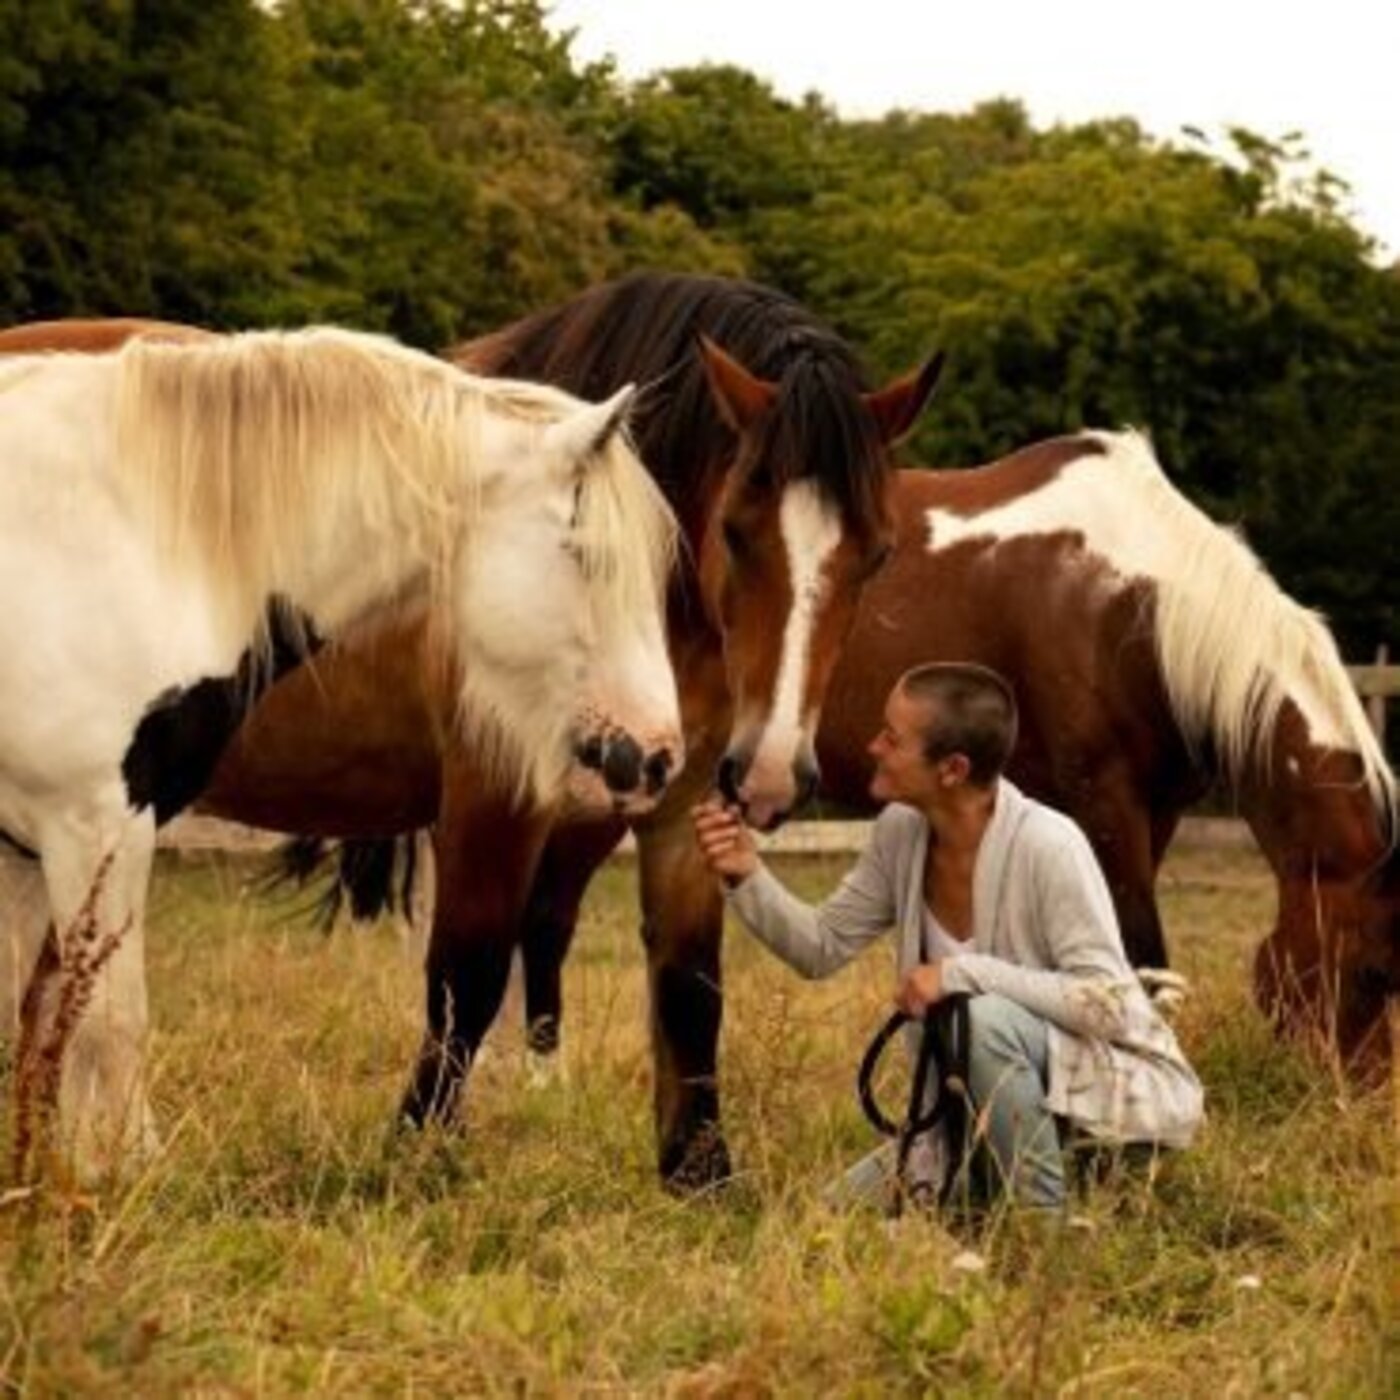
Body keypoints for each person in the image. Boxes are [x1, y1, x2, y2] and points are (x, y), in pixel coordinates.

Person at [692, 662, 1203, 1211]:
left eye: (893, 737)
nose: (873, 746)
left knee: (978, 1016)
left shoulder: (1050, 845)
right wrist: (745, 871)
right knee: (828, 1219)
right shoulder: (901, 830)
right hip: (959, 1121)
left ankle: (1042, 1234)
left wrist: (961, 973)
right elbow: (820, 948)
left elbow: (1106, 1007)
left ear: (952, 769)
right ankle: (985, 1195)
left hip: (1100, 1114)